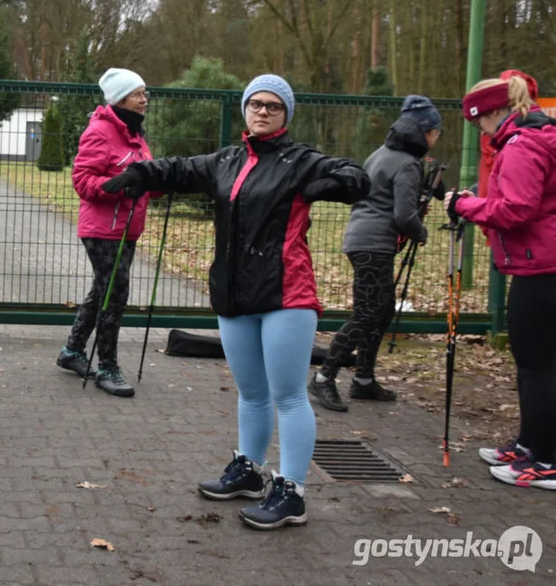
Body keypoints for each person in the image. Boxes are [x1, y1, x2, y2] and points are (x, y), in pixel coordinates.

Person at [103, 74, 370, 529]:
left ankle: (291, 491)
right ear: (245, 108)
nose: (263, 111)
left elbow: (354, 176)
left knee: (287, 396)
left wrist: (337, 184)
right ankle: (248, 470)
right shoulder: (225, 161)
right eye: (255, 104)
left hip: (286, 293)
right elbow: (176, 169)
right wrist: (139, 174)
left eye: (273, 106)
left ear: (285, 114)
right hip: (233, 293)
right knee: (251, 393)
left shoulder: (301, 161)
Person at [446, 73, 556, 491]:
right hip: (540, 264)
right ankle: (532, 444)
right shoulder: (536, 135)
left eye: (479, 122)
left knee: (537, 365)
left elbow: (516, 210)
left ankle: (546, 459)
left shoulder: (521, 143)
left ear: (493, 110)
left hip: (541, 266)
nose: (480, 131)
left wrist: (466, 204)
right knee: (535, 363)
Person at [309, 96, 442, 412]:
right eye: (436, 131)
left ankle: (364, 380)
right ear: (423, 132)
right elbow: (405, 216)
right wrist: (421, 235)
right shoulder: (407, 163)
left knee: (379, 311)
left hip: (361, 240)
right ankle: (324, 377)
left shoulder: (382, 154)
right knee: (368, 313)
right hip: (375, 245)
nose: (437, 138)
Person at [56, 68, 156, 397]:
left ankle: (72, 352)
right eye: (138, 94)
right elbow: (82, 181)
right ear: (120, 98)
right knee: (115, 294)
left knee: (102, 290)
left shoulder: (133, 132)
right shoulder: (100, 131)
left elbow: (142, 176)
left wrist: (157, 184)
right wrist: (119, 188)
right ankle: (108, 367)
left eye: (145, 93)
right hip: (102, 230)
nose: (144, 99)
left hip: (128, 229)